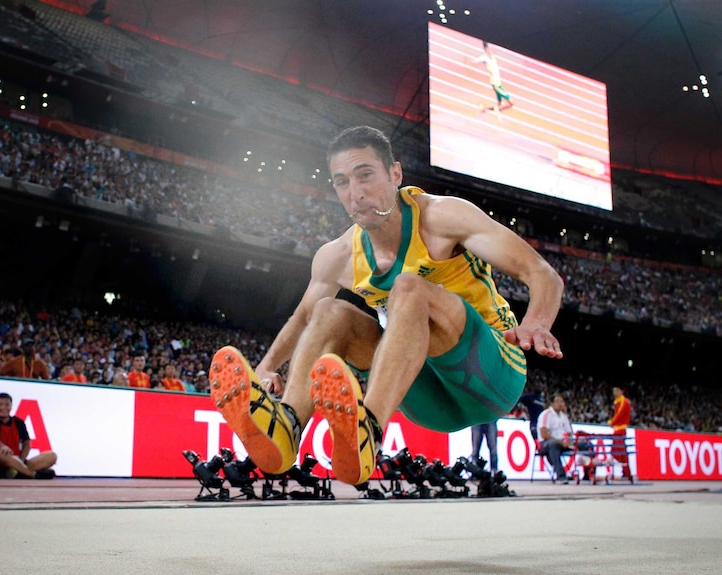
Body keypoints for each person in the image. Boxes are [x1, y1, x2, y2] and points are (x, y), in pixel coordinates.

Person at [209, 126, 563, 485]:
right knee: (327, 313)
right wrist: (266, 368)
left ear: (395, 173)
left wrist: (536, 322)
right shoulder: (339, 255)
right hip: (424, 397)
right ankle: (286, 427)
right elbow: (302, 318)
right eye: (342, 182)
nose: (356, 193)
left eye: (365, 175)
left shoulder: (442, 217)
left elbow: (543, 274)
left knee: (408, 288)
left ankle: (370, 430)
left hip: (492, 374)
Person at [0, 392, 57, 479]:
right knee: (2, 454)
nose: (4, 407)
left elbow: (27, 443)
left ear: (11, 406)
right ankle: (33, 474)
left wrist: (20, 461)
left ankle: (19, 472)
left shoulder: (18, 422)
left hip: (19, 461)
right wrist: (2, 447)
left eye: (7, 404)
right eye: (0, 404)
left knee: (51, 456)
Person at [537, 394, 574, 484]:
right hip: (546, 443)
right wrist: (561, 442)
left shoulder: (563, 415)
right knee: (553, 444)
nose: (560, 403)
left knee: (584, 443)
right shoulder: (546, 414)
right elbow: (544, 434)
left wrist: (569, 441)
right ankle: (561, 476)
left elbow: (569, 432)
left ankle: (588, 474)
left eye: (561, 401)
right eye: (557, 401)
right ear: (552, 403)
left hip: (561, 442)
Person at [473, 41, 513, 119]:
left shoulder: (493, 57)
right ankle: (498, 110)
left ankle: (484, 108)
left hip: (498, 83)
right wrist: (472, 61)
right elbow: (476, 61)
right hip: (495, 84)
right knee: (511, 103)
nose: (492, 50)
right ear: (486, 48)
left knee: (499, 104)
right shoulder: (484, 58)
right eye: (490, 48)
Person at [608, 385, 633, 482]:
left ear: (622, 391)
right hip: (617, 429)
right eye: (614, 391)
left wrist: (612, 422)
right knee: (620, 452)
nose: (615, 393)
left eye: (617, 391)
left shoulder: (624, 402)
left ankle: (626, 472)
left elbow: (620, 414)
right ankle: (625, 472)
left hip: (620, 430)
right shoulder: (617, 402)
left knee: (620, 452)